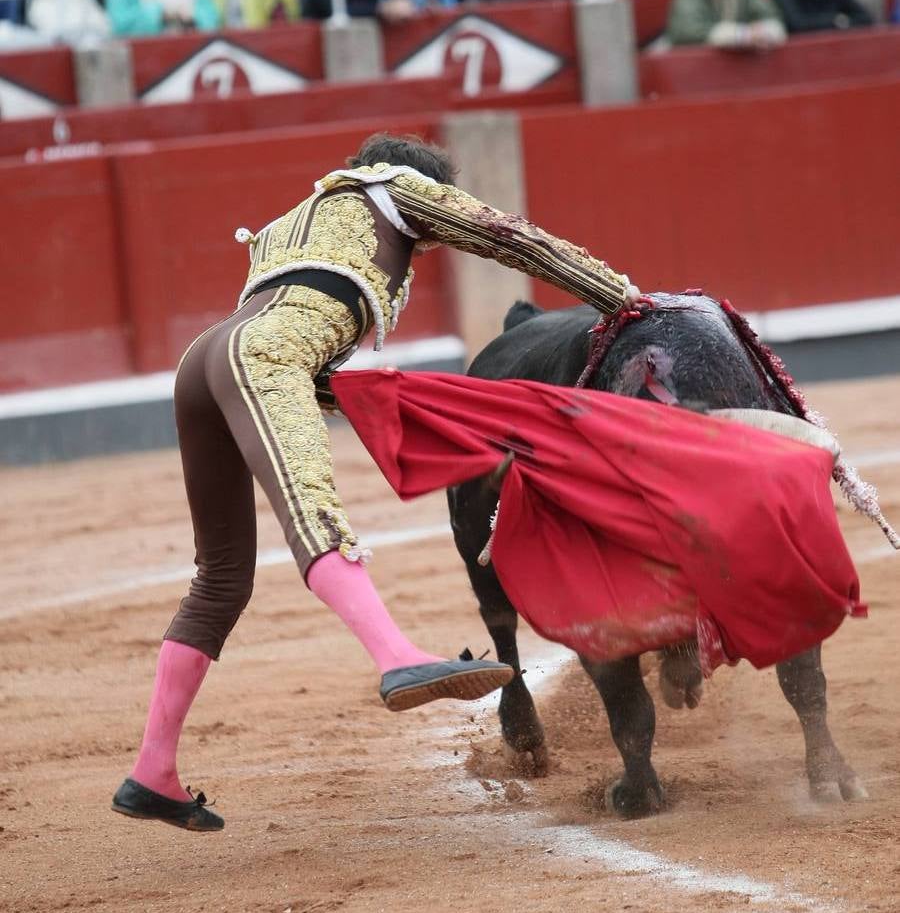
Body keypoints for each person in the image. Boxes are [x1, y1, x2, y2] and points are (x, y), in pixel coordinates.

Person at [111, 131, 639, 831]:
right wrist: (627, 299)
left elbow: (292, 340)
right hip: (263, 356)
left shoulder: (291, 224)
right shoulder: (396, 188)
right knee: (313, 514)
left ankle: (153, 771)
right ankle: (395, 657)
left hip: (205, 364)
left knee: (220, 578)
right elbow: (515, 241)